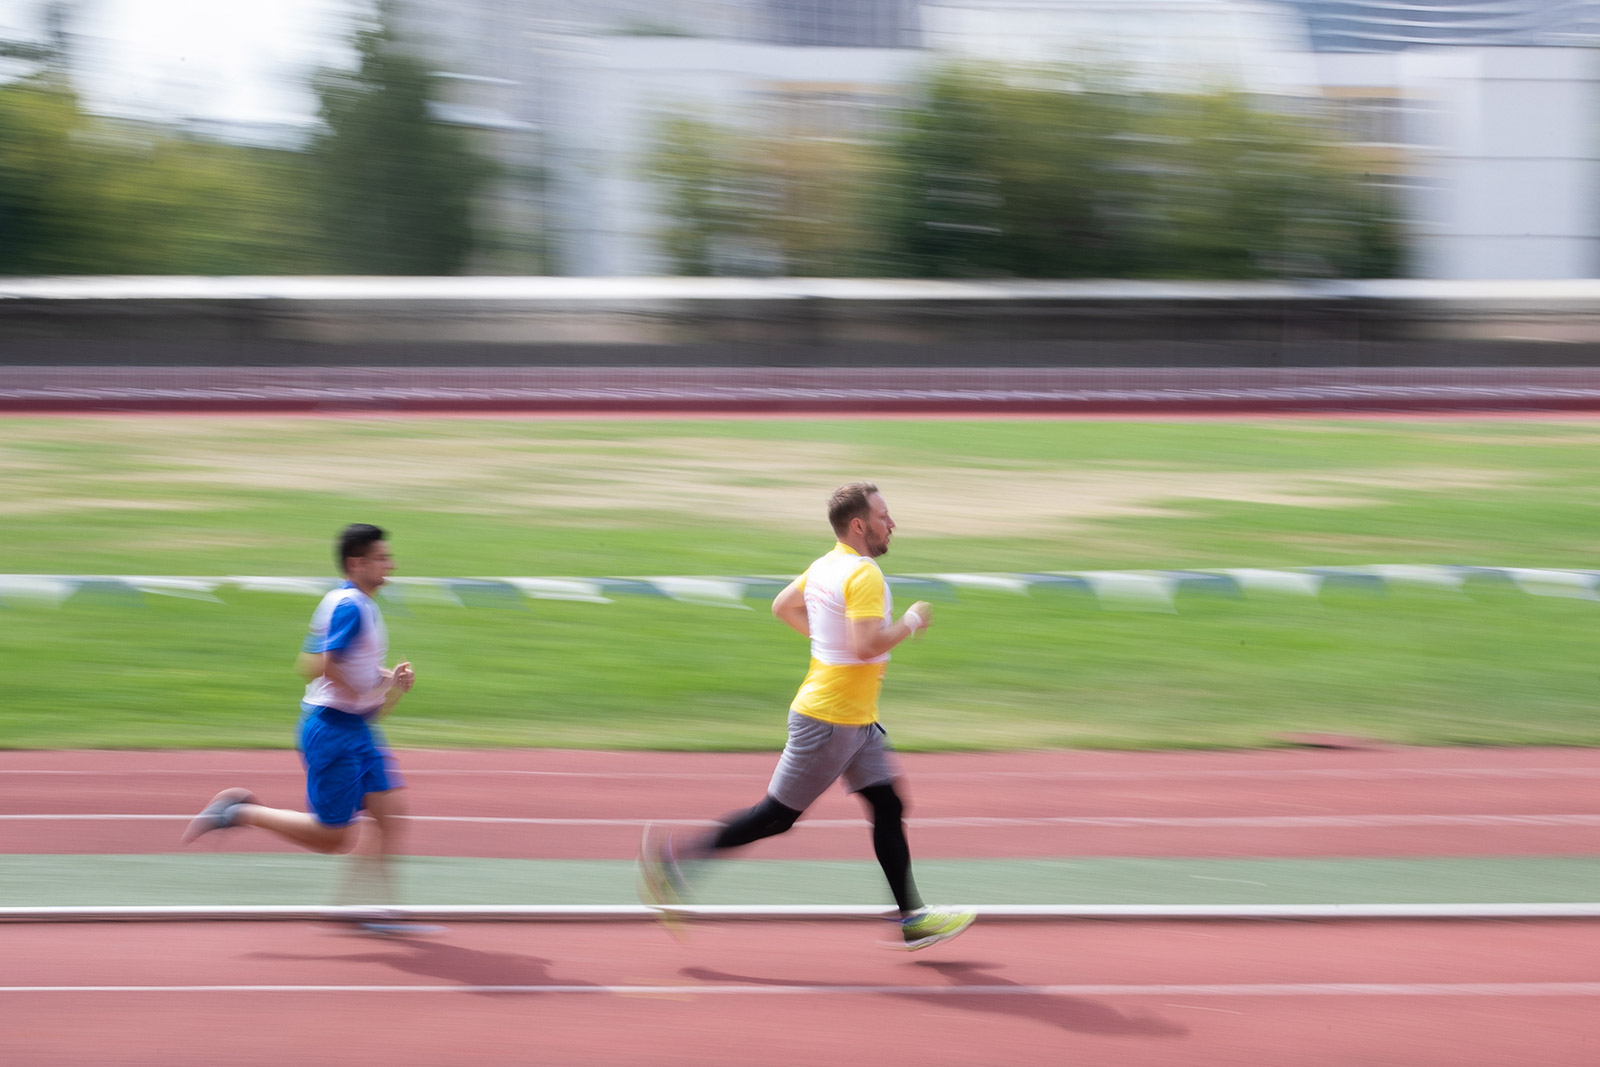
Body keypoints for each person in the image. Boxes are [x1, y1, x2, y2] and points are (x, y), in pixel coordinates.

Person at [639, 482, 975, 950]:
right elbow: (866, 646)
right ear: (859, 525)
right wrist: (913, 620)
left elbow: (782, 607)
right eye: (883, 516)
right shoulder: (863, 574)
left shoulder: (825, 565)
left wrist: (827, 643)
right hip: (831, 719)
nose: (892, 524)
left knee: (888, 805)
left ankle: (913, 918)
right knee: (774, 818)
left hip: (856, 718)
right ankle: (676, 863)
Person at [181, 523, 417, 927]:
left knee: (391, 815)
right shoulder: (350, 606)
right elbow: (316, 664)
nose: (390, 565)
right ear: (355, 563)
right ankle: (240, 812)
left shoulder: (356, 603)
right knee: (332, 838)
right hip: (334, 731)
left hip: (354, 728)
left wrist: (387, 680)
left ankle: (369, 910)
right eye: (381, 558)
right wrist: (366, 695)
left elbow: (348, 666)